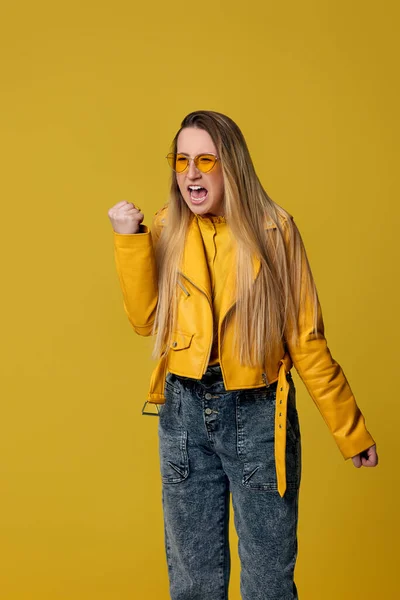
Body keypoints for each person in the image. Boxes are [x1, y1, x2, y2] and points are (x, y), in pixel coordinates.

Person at [108, 110, 378, 600]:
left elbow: (306, 338)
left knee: (269, 579)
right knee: (193, 580)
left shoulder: (275, 230)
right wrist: (129, 241)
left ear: (230, 165)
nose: (190, 172)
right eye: (181, 159)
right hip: (182, 413)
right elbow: (147, 321)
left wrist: (350, 430)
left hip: (257, 413)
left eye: (205, 159)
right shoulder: (167, 227)